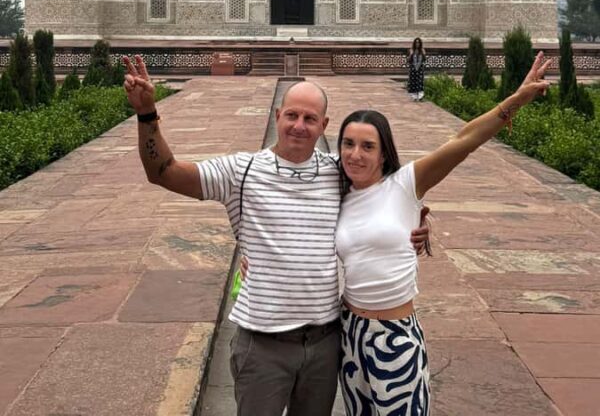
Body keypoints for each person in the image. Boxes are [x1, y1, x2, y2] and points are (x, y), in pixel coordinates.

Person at [122, 56, 430, 416]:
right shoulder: (241, 171)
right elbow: (163, 172)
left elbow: (387, 192)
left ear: (323, 125)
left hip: (325, 342)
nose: (299, 126)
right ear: (277, 116)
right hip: (264, 345)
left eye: (310, 119)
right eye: (292, 116)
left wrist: (418, 220)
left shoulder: (339, 172)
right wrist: (147, 115)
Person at [335, 51, 550, 415]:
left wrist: (516, 99)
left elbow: (464, 141)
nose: (355, 154)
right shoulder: (336, 191)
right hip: (349, 334)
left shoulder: (405, 184)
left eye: (368, 146)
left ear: (385, 153)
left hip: (395, 335)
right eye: (348, 144)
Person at [407, 37, 426, 101]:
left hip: (420, 69)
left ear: (420, 43)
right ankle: (414, 97)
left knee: (420, 82)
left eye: (418, 42)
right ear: (414, 43)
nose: (417, 44)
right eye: (416, 42)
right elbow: (408, 60)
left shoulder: (422, 50)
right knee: (413, 82)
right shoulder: (411, 50)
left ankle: (420, 97)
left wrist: (423, 54)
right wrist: (411, 54)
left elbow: (424, 60)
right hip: (413, 68)